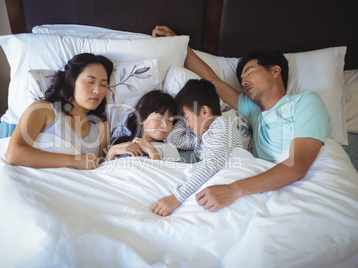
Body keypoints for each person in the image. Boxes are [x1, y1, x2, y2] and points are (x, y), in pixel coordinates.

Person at [152, 26, 331, 212]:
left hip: (302, 189)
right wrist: (179, 44)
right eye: (241, 77)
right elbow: (213, 81)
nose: (243, 81)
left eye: (249, 72)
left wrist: (233, 190)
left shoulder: (305, 101)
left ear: (275, 71)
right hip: (264, 189)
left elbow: (298, 165)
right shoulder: (255, 113)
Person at [151, 79, 243, 216]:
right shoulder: (199, 138)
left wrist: (176, 197)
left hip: (234, 178)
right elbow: (172, 139)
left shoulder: (222, 124)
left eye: (187, 118)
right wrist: (185, 113)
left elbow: (211, 164)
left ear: (205, 111)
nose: (187, 124)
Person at [6, 53, 113, 170]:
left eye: (103, 84)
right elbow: (14, 155)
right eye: (90, 82)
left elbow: (100, 170)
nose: (98, 90)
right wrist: (73, 161)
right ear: (72, 80)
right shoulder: (43, 110)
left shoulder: (100, 126)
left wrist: (111, 153)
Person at [105, 90, 181, 162]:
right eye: (159, 118)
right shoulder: (120, 143)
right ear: (141, 118)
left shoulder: (169, 149)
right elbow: (102, 171)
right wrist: (111, 152)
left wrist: (152, 151)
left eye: (170, 120)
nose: (165, 125)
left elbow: (172, 174)